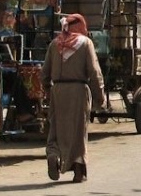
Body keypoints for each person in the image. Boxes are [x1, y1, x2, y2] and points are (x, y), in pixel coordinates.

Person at [41, 13, 104, 184]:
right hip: (78, 90)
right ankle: (78, 171)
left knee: (55, 128)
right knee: (78, 131)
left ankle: (53, 154)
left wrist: (49, 91)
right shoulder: (85, 43)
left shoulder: (55, 43)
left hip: (57, 90)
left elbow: (44, 73)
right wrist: (100, 96)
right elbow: (94, 72)